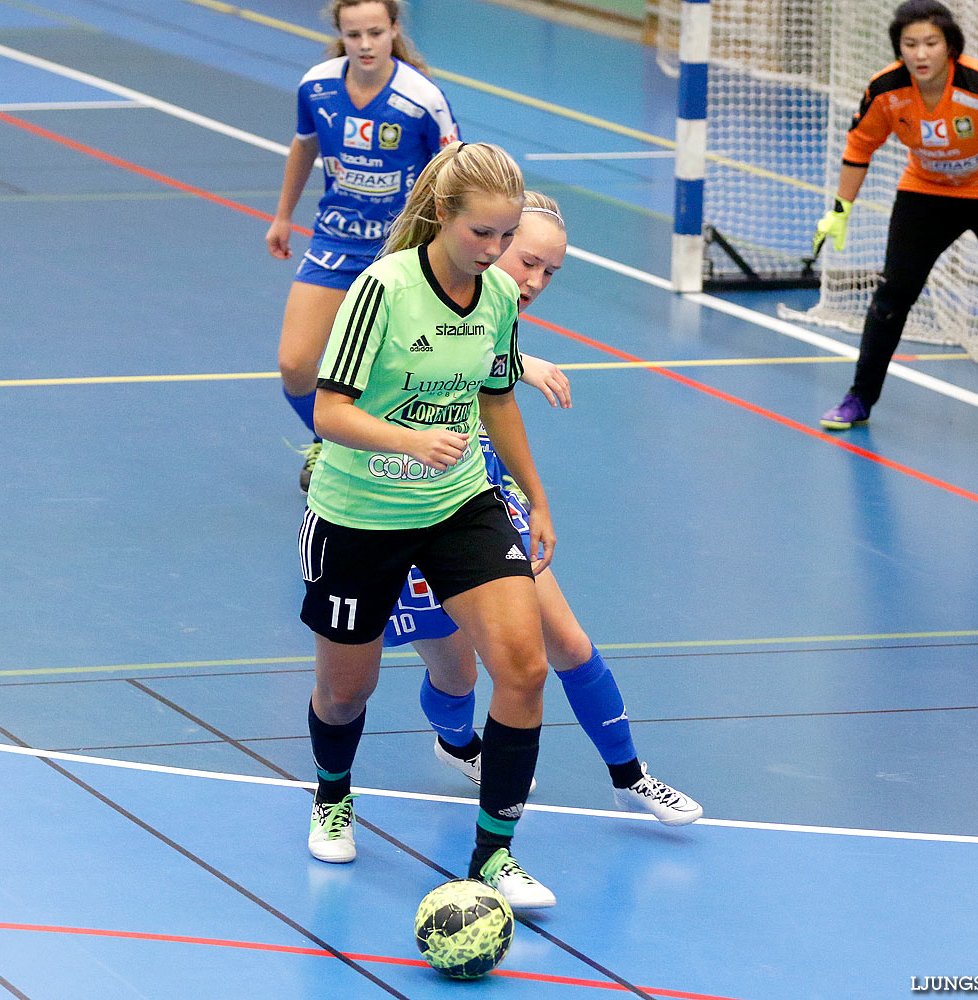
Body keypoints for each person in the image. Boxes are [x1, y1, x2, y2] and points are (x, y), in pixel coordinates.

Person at [384, 192, 703, 827]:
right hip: (400, 502)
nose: (535, 281)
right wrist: (519, 364)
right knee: (456, 675)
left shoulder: (497, 310)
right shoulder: (401, 292)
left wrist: (534, 496)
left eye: (550, 272)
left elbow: (490, 388)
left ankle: (629, 776)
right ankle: (455, 741)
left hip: (479, 498)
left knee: (568, 642)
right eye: (527, 261)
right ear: (489, 240)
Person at [299, 141, 557, 909]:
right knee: (347, 691)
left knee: (524, 667)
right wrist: (412, 440)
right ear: (444, 215)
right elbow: (328, 410)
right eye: (483, 233)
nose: (497, 251)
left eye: (507, 235)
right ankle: (333, 795)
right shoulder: (383, 289)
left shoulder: (500, 297)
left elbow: (498, 398)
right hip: (360, 513)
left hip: (459, 503)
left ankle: (493, 857)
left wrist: (537, 497)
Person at [813, 0, 978, 444]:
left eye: (930, 43)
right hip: (928, 191)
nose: (920, 54)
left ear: (949, 46)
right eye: (910, 44)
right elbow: (860, 146)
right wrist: (840, 209)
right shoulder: (887, 92)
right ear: (899, 49)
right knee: (893, 292)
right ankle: (859, 398)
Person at [266, 0, 459, 491]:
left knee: (404, 368)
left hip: (402, 250)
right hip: (336, 242)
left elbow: (455, 170)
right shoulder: (317, 85)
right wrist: (283, 216)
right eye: (354, 35)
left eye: (376, 32)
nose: (366, 44)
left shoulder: (422, 99)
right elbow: (304, 144)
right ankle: (329, 438)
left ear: (394, 29)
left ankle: (408, 452)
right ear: (341, 35)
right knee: (295, 365)